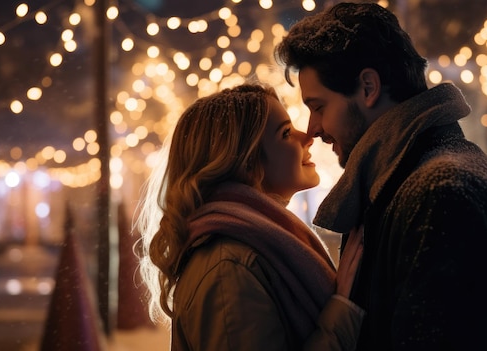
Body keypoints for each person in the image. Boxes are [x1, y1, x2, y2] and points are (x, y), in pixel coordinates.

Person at [274, 2, 487, 350]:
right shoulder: (413, 181)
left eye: (319, 107)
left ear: (368, 87)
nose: (313, 129)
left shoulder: (442, 196)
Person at [135, 83, 365, 351]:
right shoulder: (228, 269)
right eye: (286, 133)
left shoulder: (253, 247)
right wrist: (342, 314)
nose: (307, 137)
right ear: (247, 162)